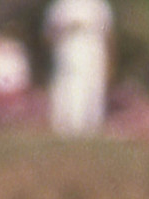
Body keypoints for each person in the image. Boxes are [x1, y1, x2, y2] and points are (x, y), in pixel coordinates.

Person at [44, 0, 115, 137]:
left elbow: (108, 31)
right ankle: (68, 126)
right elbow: (49, 30)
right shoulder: (62, 5)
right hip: (70, 46)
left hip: (94, 45)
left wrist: (111, 57)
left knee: (94, 84)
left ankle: (92, 125)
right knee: (70, 84)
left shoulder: (98, 5)